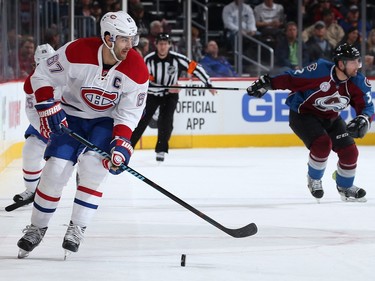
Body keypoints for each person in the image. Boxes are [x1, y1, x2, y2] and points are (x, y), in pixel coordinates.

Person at [16, 11, 149, 258]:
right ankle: (37, 227)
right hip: (72, 116)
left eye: (132, 39)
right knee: (55, 169)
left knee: (94, 167)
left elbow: (129, 113)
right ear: (108, 37)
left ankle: (77, 227)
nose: (130, 45)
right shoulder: (76, 51)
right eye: (123, 39)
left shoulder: (137, 69)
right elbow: (41, 74)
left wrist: (121, 143)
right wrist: (47, 103)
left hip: (105, 121)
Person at [246, 43, 374, 202]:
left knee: (350, 151)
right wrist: (268, 82)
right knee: (322, 144)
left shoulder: (358, 82)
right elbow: (291, 79)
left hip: (331, 116)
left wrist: (364, 119)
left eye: (358, 61)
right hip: (303, 114)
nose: (358, 66)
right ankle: (314, 179)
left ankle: (345, 187)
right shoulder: (319, 71)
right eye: (353, 62)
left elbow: (367, 106)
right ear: (341, 64)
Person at [130, 32, 216, 162]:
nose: (163, 47)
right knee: (142, 121)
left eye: (165, 44)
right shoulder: (149, 60)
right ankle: (128, 148)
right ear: (156, 45)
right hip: (153, 95)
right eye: (160, 44)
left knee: (166, 122)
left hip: (170, 96)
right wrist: (167, 87)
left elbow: (195, 68)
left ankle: (161, 150)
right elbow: (146, 80)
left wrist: (208, 83)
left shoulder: (177, 59)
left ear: (169, 45)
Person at [12, 44, 56, 205]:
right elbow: (31, 112)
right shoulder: (32, 81)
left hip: (70, 121)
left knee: (82, 158)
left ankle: (83, 186)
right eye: (40, 64)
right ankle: (31, 190)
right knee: (30, 149)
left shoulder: (67, 74)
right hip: (43, 123)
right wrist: (45, 129)